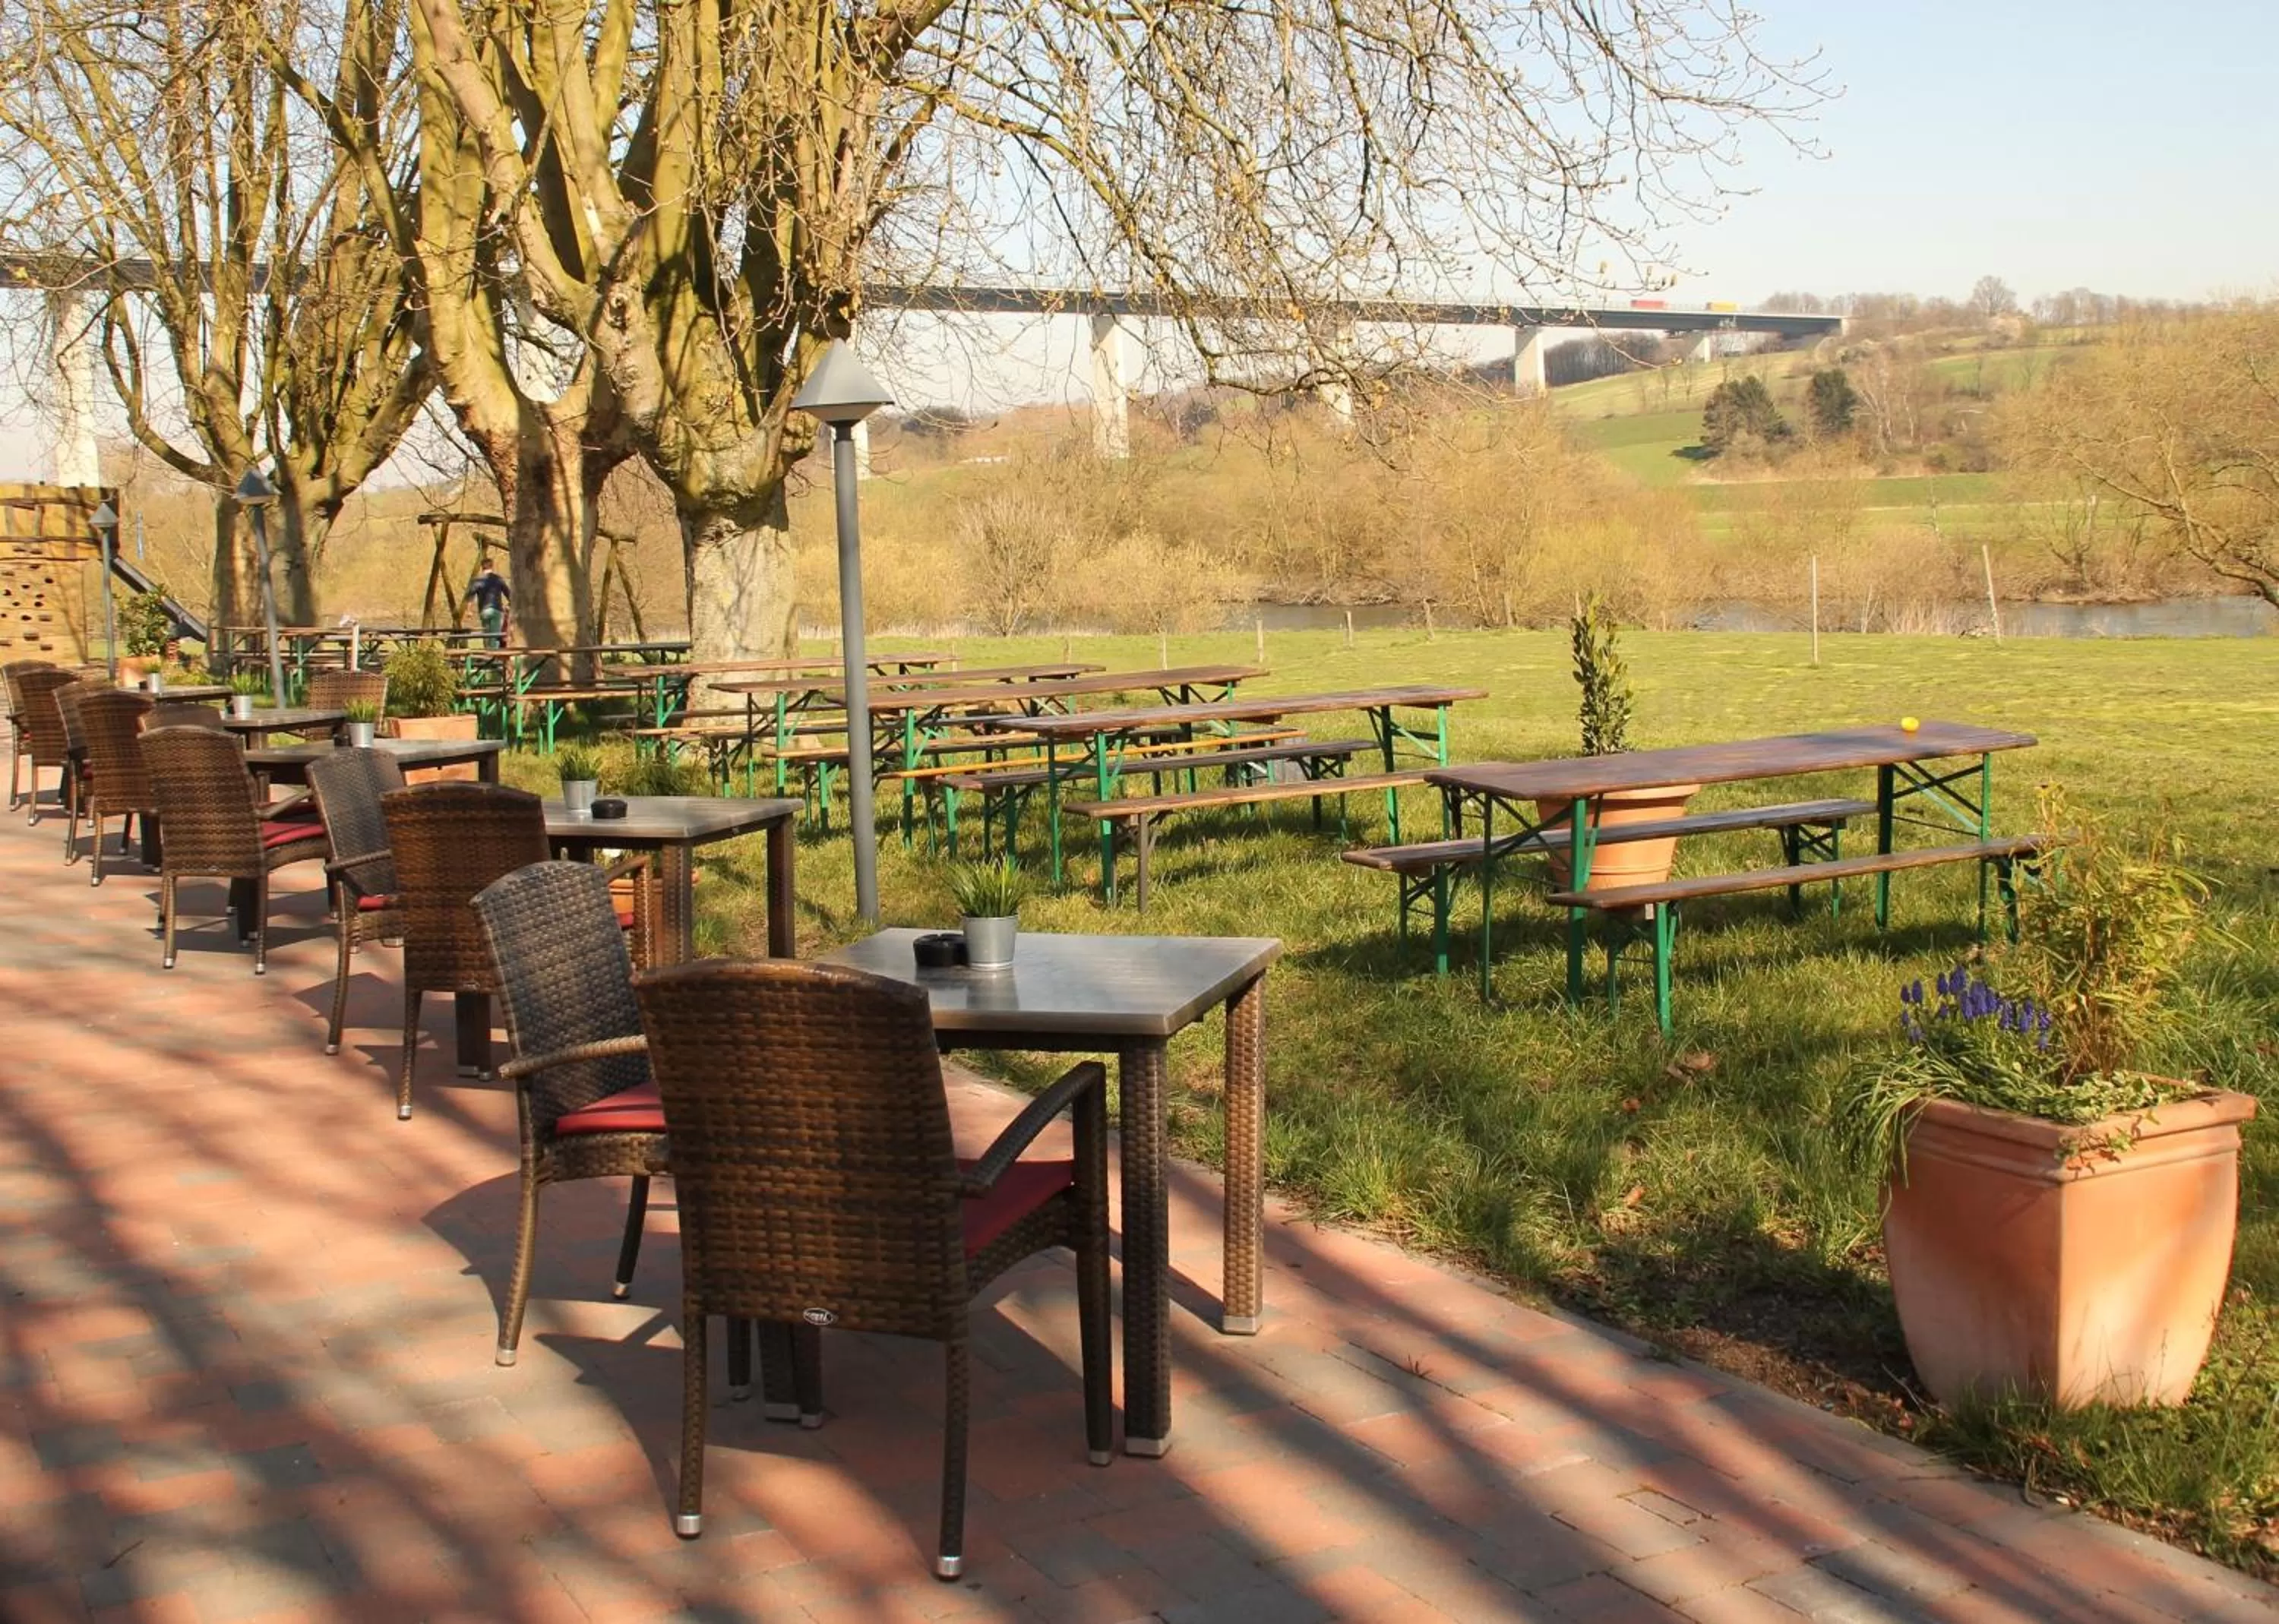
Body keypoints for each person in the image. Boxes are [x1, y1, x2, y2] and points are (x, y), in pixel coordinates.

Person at [465, 562, 511, 646]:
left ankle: (487, 654)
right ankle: (494, 656)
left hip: (484, 610)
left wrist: (469, 611)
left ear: (482, 567)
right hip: (497, 609)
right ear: (492, 566)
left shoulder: (477, 580)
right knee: (495, 635)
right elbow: (508, 593)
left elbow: (470, 597)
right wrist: (510, 604)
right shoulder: (498, 579)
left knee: (486, 634)